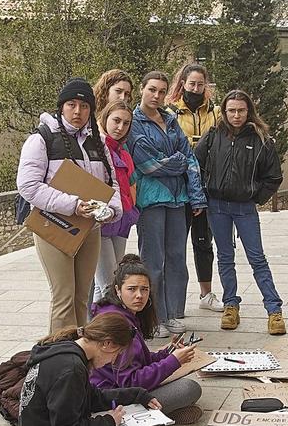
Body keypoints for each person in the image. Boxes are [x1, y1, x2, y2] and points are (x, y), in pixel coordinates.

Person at [16, 81, 121, 337]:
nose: (77, 111)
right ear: (61, 106)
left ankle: (79, 353)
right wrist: (73, 205)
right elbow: (28, 186)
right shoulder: (41, 139)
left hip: (89, 227)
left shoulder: (97, 140)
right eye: (71, 105)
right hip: (55, 226)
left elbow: (112, 182)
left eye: (84, 106)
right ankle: (60, 358)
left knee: (82, 296)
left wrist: (111, 209)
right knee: (63, 297)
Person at [17, 311, 159, 426]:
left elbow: (94, 397)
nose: (113, 361)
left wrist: (138, 395)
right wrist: (108, 421)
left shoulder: (68, 351)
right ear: (107, 344)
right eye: (117, 353)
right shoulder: (71, 368)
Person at [194, 89, 286, 335]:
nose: (236, 115)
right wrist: (203, 192)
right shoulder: (213, 135)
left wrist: (256, 196)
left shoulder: (261, 139)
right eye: (231, 110)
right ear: (224, 112)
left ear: (249, 111)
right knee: (224, 257)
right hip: (217, 206)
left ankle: (274, 309)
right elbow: (196, 163)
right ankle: (230, 305)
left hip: (245, 207)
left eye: (241, 110)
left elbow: (274, 176)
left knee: (257, 258)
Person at [129, 72, 207, 333]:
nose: (157, 96)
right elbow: (148, 164)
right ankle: (153, 318)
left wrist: (196, 195)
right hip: (151, 199)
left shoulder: (171, 120)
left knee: (176, 258)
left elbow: (191, 160)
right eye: (152, 90)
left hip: (178, 198)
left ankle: (172, 313)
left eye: (162, 91)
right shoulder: (134, 122)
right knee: (153, 261)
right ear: (142, 89)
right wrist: (178, 163)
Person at [90, 257, 203, 415]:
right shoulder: (118, 325)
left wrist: (168, 353)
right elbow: (129, 382)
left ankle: (164, 413)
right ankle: (151, 416)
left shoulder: (122, 313)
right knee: (188, 389)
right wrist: (173, 361)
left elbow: (139, 361)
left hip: (115, 390)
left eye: (144, 289)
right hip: (110, 399)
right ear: (117, 290)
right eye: (132, 289)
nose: (139, 295)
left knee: (179, 383)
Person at [167, 60, 221, 312]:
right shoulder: (170, 111)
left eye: (200, 84)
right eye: (192, 83)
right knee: (175, 243)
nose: (196, 88)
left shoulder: (215, 112)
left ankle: (206, 293)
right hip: (178, 185)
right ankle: (171, 297)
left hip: (206, 183)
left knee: (203, 241)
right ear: (183, 84)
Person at [93, 101, 138, 303]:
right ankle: (104, 332)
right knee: (108, 285)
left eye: (126, 123)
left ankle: (95, 329)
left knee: (110, 283)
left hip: (121, 220)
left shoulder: (124, 153)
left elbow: (130, 183)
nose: (120, 127)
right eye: (116, 121)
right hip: (102, 222)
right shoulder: (96, 148)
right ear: (105, 119)